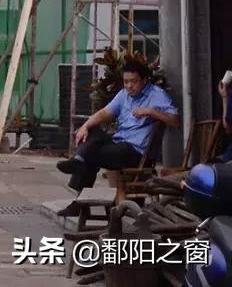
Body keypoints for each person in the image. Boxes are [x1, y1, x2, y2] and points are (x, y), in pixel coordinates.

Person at [56, 58, 179, 217]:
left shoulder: (157, 95)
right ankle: (79, 161)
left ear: (144, 80)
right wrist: (85, 126)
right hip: (119, 144)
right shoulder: (124, 95)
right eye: (126, 82)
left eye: (133, 81)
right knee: (93, 132)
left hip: (135, 152)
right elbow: (105, 113)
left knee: (89, 155)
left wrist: (151, 111)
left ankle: (78, 196)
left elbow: (175, 121)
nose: (129, 86)